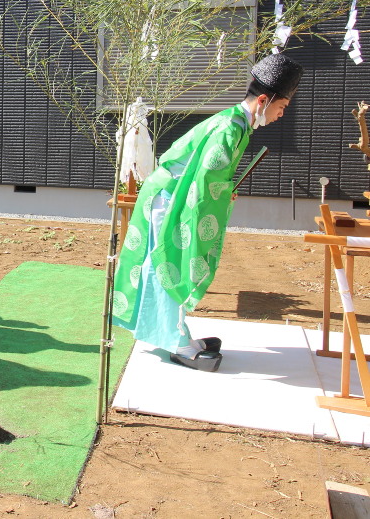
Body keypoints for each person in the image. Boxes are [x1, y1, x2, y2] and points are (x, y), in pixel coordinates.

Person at [112, 53, 303, 372]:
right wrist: (224, 191)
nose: (282, 115)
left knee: (165, 262)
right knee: (168, 261)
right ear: (264, 101)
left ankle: (174, 332)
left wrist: (225, 189)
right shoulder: (230, 128)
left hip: (172, 192)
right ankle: (176, 341)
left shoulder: (237, 122)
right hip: (171, 197)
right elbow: (205, 184)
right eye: (282, 107)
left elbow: (211, 178)